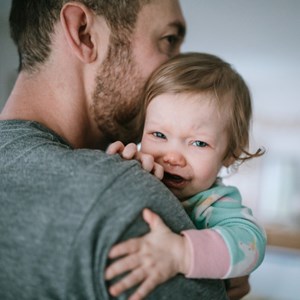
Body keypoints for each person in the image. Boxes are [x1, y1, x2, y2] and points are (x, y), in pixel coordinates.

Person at [0, 0, 250, 299]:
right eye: (169, 40)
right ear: (84, 33)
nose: (176, 68)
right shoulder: (122, 193)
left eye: (198, 142)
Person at [105, 52, 267, 300]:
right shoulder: (141, 165)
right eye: (158, 135)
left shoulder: (214, 203)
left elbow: (252, 243)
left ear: (230, 154)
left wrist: (181, 253)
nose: (172, 157)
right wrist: (121, 163)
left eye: (199, 143)